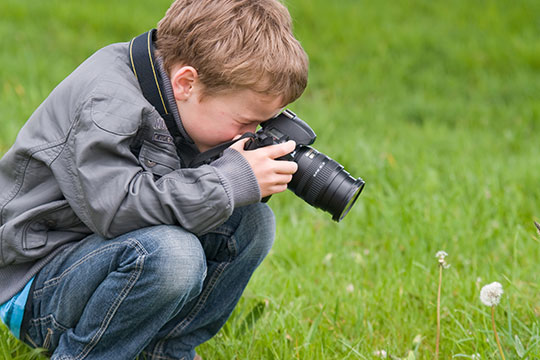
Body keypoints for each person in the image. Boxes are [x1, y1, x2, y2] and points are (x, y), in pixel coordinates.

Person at [0, 0, 308, 358]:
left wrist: (239, 176)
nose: (250, 134)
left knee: (251, 223)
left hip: (102, 258)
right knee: (175, 256)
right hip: (36, 281)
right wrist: (225, 182)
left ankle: (163, 353)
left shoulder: (175, 95)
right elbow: (117, 212)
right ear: (186, 83)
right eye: (245, 123)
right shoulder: (107, 103)